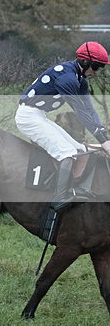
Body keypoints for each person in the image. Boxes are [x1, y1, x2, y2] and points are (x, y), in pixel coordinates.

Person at [16, 41, 110, 212]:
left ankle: (76, 188)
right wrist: (104, 142)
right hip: (27, 117)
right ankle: (58, 198)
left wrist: (105, 137)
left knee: (80, 150)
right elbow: (81, 113)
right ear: (86, 62)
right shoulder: (67, 79)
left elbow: (90, 110)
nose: (96, 72)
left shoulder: (80, 80)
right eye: (96, 67)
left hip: (39, 115)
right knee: (67, 153)